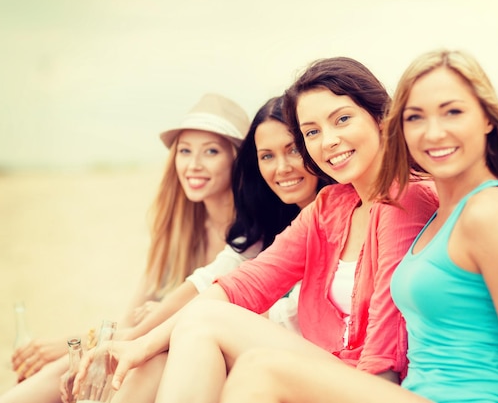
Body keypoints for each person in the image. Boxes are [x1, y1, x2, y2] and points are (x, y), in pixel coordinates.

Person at [73, 57, 439, 403]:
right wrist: (141, 344)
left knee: (205, 322)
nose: (327, 141)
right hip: (331, 368)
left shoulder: (405, 197)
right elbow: (246, 283)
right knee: (172, 342)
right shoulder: (332, 205)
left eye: (341, 120)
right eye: (312, 131)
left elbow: (387, 347)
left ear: (380, 117)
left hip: (373, 385)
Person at [218, 49, 498, 403]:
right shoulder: (442, 213)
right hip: (419, 394)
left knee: (260, 371)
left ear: (487, 118)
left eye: (453, 112)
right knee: (251, 366)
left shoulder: (490, 210)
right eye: (416, 117)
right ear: (399, 125)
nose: (433, 132)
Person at [65, 95, 328, 403]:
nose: (282, 167)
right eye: (267, 156)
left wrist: (161, 332)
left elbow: (264, 308)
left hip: (312, 364)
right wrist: (137, 337)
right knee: (158, 352)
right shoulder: (271, 222)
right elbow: (211, 281)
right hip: (265, 349)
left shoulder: (332, 212)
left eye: (293, 149)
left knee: (184, 338)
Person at [1, 92, 250, 403]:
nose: (194, 164)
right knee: (52, 373)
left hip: (204, 364)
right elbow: (130, 320)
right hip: (145, 348)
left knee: (145, 361)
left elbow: (224, 318)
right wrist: (73, 345)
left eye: (211, 151)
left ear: (237, 160)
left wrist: (161, 318)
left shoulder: (250, 237)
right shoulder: (178, 230)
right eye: (185, 151)